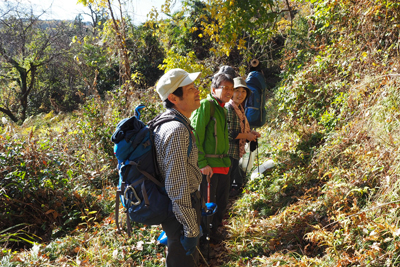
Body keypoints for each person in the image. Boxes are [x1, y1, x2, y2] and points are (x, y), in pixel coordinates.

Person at [153, 68, 203, 267]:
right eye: (190, 89)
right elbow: (177, 186)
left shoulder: (167, 123)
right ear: (173, 97)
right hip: (182, 213)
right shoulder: (176, 130)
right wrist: (191, 230)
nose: (197, 91)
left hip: (177, 211)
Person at [190, 72, 233, 252]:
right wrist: (201, 163)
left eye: (232, 88)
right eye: (226, 88)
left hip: (223, 165)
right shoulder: (207, 106)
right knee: (209, 204)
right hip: (209, 168)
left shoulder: (222, 108)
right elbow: (195, 134)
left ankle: (215, 232)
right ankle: (205, 238)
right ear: (214, 89)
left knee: (222, 202)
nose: (229, 92)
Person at [225, 77, 260, 197]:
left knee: (231, 179)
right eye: (237, 90)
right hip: (228, 152)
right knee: (226, 184)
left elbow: (241, 127)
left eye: (243, 91)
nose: (240, 94)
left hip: (234, 151)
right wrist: (246, 135)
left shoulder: (239, 108)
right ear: (230, 92)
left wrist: (251, 134)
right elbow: (229, 133)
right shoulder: (229, 108)